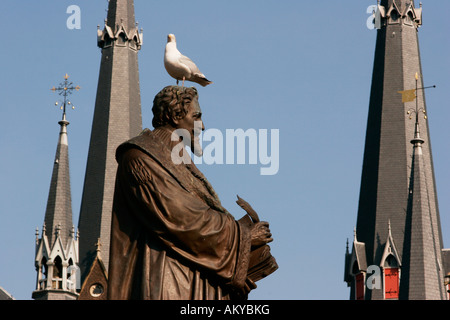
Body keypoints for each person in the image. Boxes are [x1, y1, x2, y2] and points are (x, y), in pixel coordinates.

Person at [107, 85, 275, 300]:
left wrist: (238, 265)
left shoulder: (179, 161)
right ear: (177, 116)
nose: (203, 127)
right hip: (163, 282)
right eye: (196, 117)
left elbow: (195, 215)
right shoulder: (140, 157)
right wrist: (244, 237)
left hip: (191, 280)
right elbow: (180, 217)